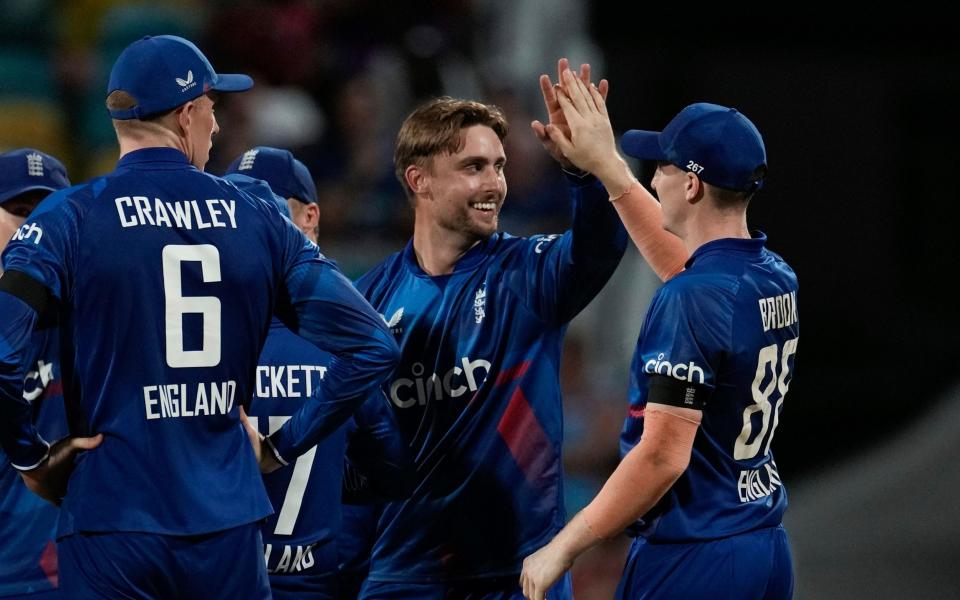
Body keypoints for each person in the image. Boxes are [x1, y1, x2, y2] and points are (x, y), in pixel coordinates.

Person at [0, 35, 399, 600]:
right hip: (228, 526)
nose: (217, 123)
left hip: (113, 521)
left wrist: (31, 459)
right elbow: (373, 346)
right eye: (213, 105)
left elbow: (2, 354)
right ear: (187, 114)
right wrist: (284, 445)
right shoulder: (258, 211)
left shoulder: (69, 217)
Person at [519, 70, 798, 600]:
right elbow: (686, 268)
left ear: (691, 184)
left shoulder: (690, 298)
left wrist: (565, 544)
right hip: (762, 544)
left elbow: (662, 458)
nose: (653, 180)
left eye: (663, 167)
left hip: (695, 555)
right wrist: (606, 169)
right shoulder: (770, 274)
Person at [351, 85, 628, 598]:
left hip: (518, 577)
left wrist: (588, 170)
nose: (495, 183)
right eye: (474, 167)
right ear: (420, 180)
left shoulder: (525, 274)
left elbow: (600, 245)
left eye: (499, 166)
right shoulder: (368, 301)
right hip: (405, 579)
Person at [224, 148, 411, 599]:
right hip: (316, 581)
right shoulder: (346, 350)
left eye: (270, 210)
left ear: (311, 217)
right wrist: (328, 475)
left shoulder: (199, 349)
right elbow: (391, 473)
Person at [0, 149, 71, 599]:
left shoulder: (91, 323)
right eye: (19, 211)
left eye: (46, 213)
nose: (31, 227)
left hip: (69, 579)